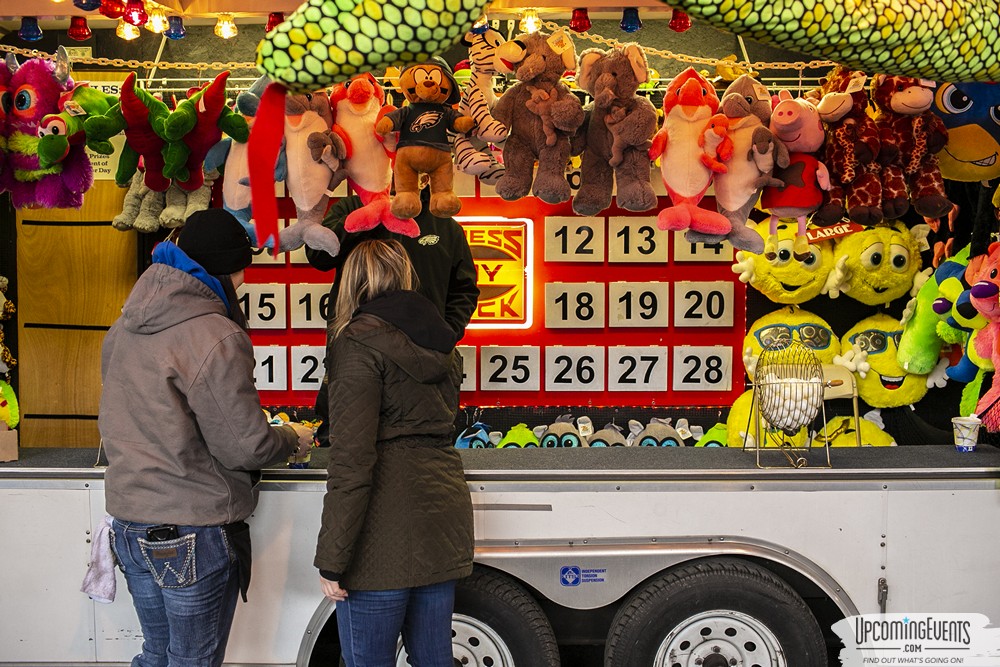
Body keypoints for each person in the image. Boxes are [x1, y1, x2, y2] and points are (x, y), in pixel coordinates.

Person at [99, 208, 314, 667]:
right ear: (230, 267)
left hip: (128, 526)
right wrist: (290, 437)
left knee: (157, 655)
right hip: (190, 528)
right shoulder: (215, 335)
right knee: (192, 661)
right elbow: (245, 446)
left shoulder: (123, 327)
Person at [315, 239, 474, 667]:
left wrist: (333, 558)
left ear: (351, 284)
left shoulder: (357, 343)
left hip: (380, 536)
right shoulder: (443, 340)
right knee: (434, 659)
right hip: (442, 519)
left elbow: (351, 460)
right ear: (405, 277)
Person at [306, 187, 479, 445]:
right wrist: (367, 215)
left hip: (423, 363)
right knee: (344, 442)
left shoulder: (444, 224)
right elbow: (318, 256)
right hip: (356, 356)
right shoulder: (353, 207)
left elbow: (464, 289)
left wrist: (446, 333)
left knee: (418, 447)